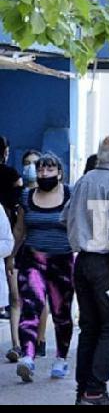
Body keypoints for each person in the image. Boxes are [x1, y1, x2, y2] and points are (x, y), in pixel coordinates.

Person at [63, 133, 109, 405]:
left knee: (90, 326)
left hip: (82, 261)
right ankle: (94, 390)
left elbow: (65, 217)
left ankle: (84, 391)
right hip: (104, 262)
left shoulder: (83, 181)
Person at [11, 153, 75, 382]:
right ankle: (27, 358)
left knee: (61, 312)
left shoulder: (70, 194)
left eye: (49, 170)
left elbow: (80, 223)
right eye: (40, 170)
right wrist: (11, 256)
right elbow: (20, 229)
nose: (44, 174)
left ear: (59, 172)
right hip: (32, 259)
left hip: (62, 261)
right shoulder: (27, 197)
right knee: (31, 305)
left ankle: (61, 358)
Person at [19, 149, 50, 359]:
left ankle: (40, 339)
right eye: (27, 163)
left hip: (47, 252)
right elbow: (19, 228)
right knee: (25, 298)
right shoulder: (22, 195)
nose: (31, 167)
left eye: (35, 163)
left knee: (41, 297)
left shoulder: (50, 194)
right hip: (26, 250)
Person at [0, 136, 23, 357]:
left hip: (7, 237)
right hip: (9, 237)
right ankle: (17, 343)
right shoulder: (11, 175)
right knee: (15, 295)